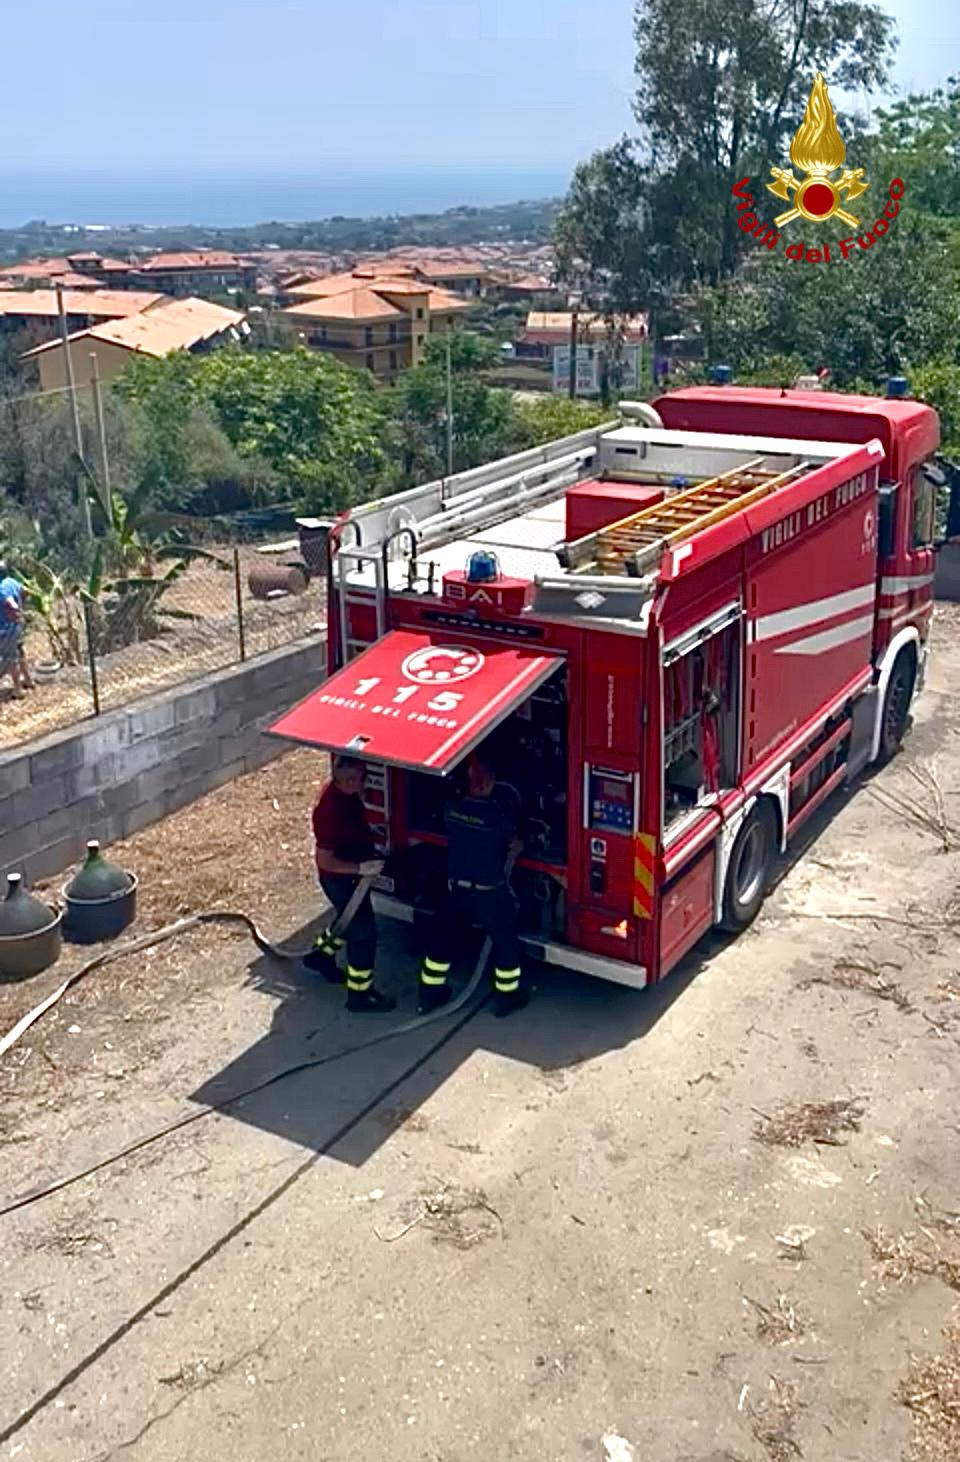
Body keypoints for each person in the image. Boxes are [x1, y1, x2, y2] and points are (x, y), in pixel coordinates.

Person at [419, 751, 528, 1019]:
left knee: (442, 941)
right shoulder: (497, 818)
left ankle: (429, 995)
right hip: (489, 893)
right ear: (490, 783)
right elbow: (513, 844)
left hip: (457, 891)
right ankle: (507, 997)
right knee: (505, 943)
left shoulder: (450, 810)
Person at [307, 755, 395, 1014]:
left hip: (351, 874)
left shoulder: (346, 796)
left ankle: (319, 957)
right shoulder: (329, 811)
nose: (362, 783)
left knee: (346, 921)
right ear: (342, 779)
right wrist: (359, 868)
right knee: (363, 934)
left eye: (363, 776)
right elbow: (326, 860)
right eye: (356, 779)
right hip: (341, 879)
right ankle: (359, 995)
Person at [0, 562, 33, 701]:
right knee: (20, 652)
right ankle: (28, 681)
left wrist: (15, 611)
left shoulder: (1, 588)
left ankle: (18, 689)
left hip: (7, 628)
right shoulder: (11, 581)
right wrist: (22, 606)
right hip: (18, 626)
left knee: (10, 658)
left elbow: (10, 604)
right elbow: (26, 591)